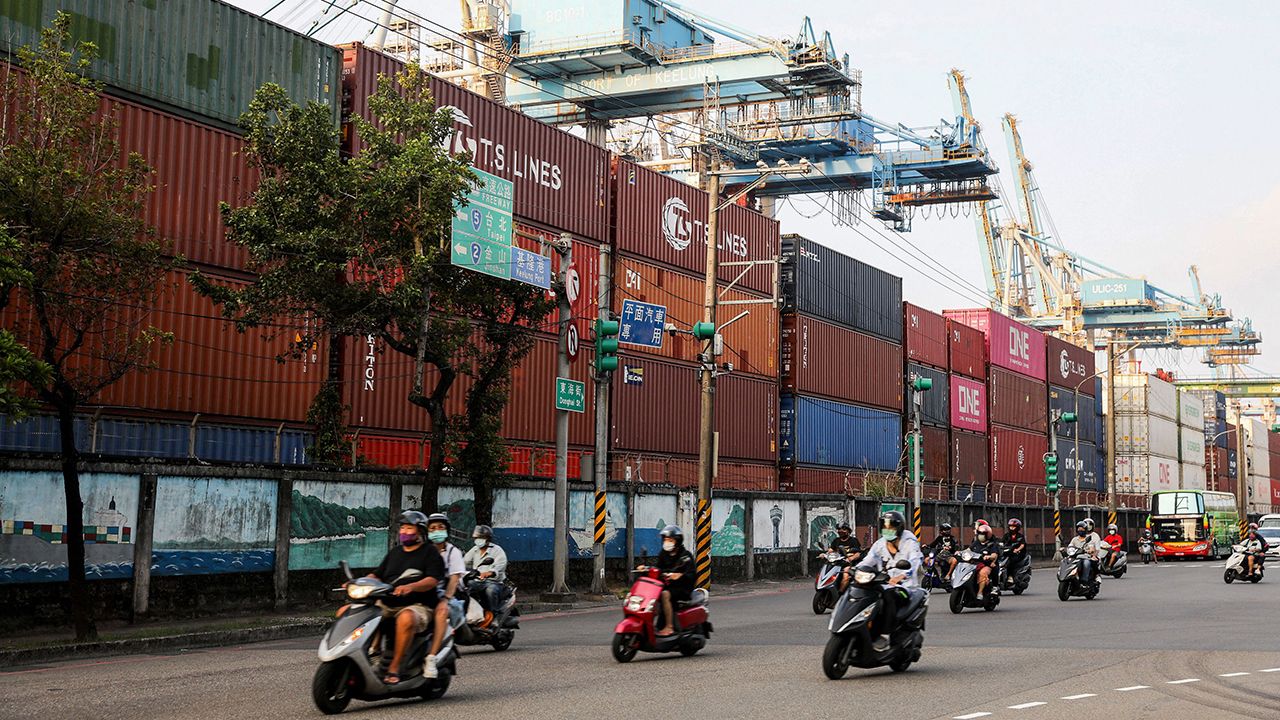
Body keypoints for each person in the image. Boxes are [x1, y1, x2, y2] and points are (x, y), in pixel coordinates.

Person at [366, 511, 445, 686]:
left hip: (419, 605)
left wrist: (411, 587)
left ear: (420, 532)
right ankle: (374, 651)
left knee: (406, 617)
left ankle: (395, 667)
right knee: (353, 611)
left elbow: (432, 580)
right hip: (388, 602)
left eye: (409, 527)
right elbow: (377, 574)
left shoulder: (430, 553)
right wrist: (360, 582)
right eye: (402, 527)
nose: (404, 531)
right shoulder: (395, 552)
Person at [856, 511, 922, 653]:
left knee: (888, 595)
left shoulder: (909, 543)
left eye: (891, 527)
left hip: (905, 588)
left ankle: (884, 635)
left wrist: (902, 575)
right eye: (885, 527)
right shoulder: (879, 544)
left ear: (899, 528)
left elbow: (915, 561)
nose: (887, 530)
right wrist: (854, 570)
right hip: (883, 584)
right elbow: (868, 560)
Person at [424, 512, 464, 679]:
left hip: (444, 592)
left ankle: (432, 657)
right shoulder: (423, 550)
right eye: (433, 528)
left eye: (440, 528)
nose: (437, 531)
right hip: (423, 591)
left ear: (447, 530)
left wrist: (446, 599)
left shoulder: (453, 552)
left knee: (442, 612)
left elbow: (455, 578)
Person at [645, 525, 696, 637]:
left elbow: (691, 575)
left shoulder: (685, 556)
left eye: (670, 540)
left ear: (677, 541)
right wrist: (645, 568)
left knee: (664, 594)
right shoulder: (663, 554)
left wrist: (680, 575)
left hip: (682, 589)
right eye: (665, 539)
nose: (667, 542)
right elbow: (658, 568)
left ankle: (669, 626)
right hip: (667, 585)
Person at [462, 524, 509, 617]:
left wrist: (490, 573)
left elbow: (501, 565)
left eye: (481, 538)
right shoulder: (475, 549)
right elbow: (465, 561)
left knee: (491, 591)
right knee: (466, 588)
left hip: (494, 582)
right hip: (478, 581)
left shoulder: (497, 550)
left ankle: (494, 615)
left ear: (488, 539)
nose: (478, 540)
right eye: (476, 538)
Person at [828, 521, 862, 591]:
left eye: (843, 529)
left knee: (846, 576)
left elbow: (858, 554)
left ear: (848, 531)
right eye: (839, 529)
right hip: (837, 563)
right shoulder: (836, 541)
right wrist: (825, 554)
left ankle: (840, 593)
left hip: (848, 563)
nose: (841, 531)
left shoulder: (853, 540)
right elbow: (831, 550)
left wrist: (851, 558)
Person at [970, 523, 1000, 600]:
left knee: (982, 573)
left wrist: (989, 556)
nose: (980, 536)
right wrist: (960, 552)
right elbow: (969, 550)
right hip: (974, 564)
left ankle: (980, 593)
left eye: (983, 534)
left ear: (988, 535)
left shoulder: (992, 544)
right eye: (979, 534)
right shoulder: (976, 543)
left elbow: (994, 555)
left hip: (986, 565)